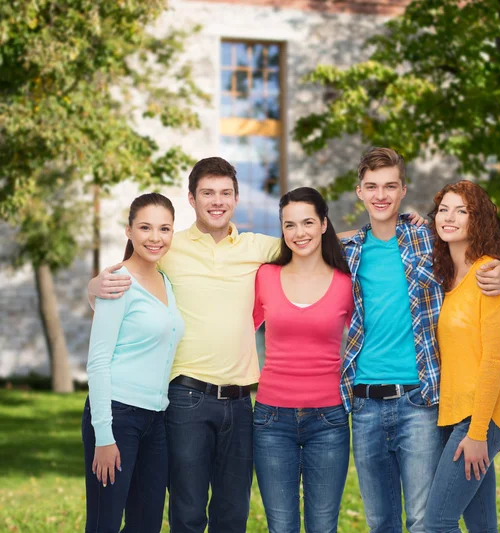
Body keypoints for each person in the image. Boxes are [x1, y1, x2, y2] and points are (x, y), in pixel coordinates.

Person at [87, 156, 424, 533]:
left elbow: (308, 240)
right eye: (207, 193)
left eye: (226, 193)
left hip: (241, 402)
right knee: (188, 511)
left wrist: (393, 224)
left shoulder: (257, 249)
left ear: (236, 198)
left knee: (233, 515)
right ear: (191, 199)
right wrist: (93, 287)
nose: (217, 201)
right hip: (186, 397)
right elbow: (130, 273)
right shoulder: (168, 245)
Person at [336, 148, 500, 533]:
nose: (381, 195)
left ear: (404, 190)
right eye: (371, 186)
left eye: (390, 185)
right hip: (365, 402)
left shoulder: (426, 239)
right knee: (381, 523)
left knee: (429, 521)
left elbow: (490, 260)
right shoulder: (349, 251)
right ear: (359, 192)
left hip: (421, 401)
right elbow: (300, 238)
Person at [252, 187, 354, 533]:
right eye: (290, 225)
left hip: (328, 419)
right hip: (270, 420)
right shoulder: (264, 276)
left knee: (323, 527)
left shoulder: (345, 282)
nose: (300, 233)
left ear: (324, 224)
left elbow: (362, 343)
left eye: (308, 222)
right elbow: (236, 329)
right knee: (281, 527)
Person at [82, 193, 184, 533]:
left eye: (164, 229)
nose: (155, 237)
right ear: (129, 231)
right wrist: (104, 435)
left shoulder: (166, 281)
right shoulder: (118, 281)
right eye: (145, 227)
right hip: (117, 417)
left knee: (146, 524)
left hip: (156, 420)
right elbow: (97, 362)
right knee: (105, 524)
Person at [423, 181, 500, 533]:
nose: (449, 217)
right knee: (481, 525)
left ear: (479, 220)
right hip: (452, 415)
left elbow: (494, 361)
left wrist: (477, 433)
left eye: (462, 210)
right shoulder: (446, 276)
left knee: (438, 522)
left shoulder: (489, 273)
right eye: (444, 209)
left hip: (479, 420)